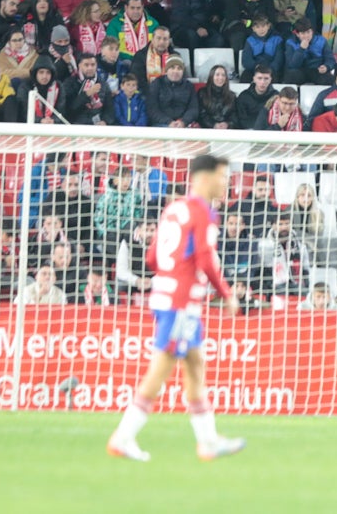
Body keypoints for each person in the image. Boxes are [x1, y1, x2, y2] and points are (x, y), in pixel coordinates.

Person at [108, 154, 245, 462]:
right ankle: (123, 436)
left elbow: (153, 258)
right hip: (181, 303)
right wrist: (226, 293)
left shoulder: (174, 208)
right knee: (161, 368)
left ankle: (208, 441)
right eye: (223, 177)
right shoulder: (202, 212)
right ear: (205, 177)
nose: (226, 183)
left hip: (167, 296)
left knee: (196, 366)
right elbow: (205, 258)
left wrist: (174, 273)